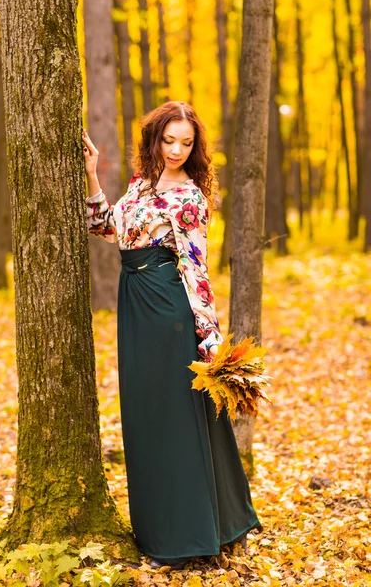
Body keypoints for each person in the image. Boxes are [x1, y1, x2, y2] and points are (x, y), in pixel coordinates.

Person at [82, 101, 262, 570]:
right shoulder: (140, 186)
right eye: (170, 140)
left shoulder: (190, 198)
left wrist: (208, 334)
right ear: (154, 138)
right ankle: (173, 526)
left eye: (186, 142)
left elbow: (197, 269)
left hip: (169, 307)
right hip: (134, 302)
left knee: (174, 415)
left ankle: (191, 537)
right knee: (146, 414)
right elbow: (106, 228)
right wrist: (92, 174)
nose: (177, 150)